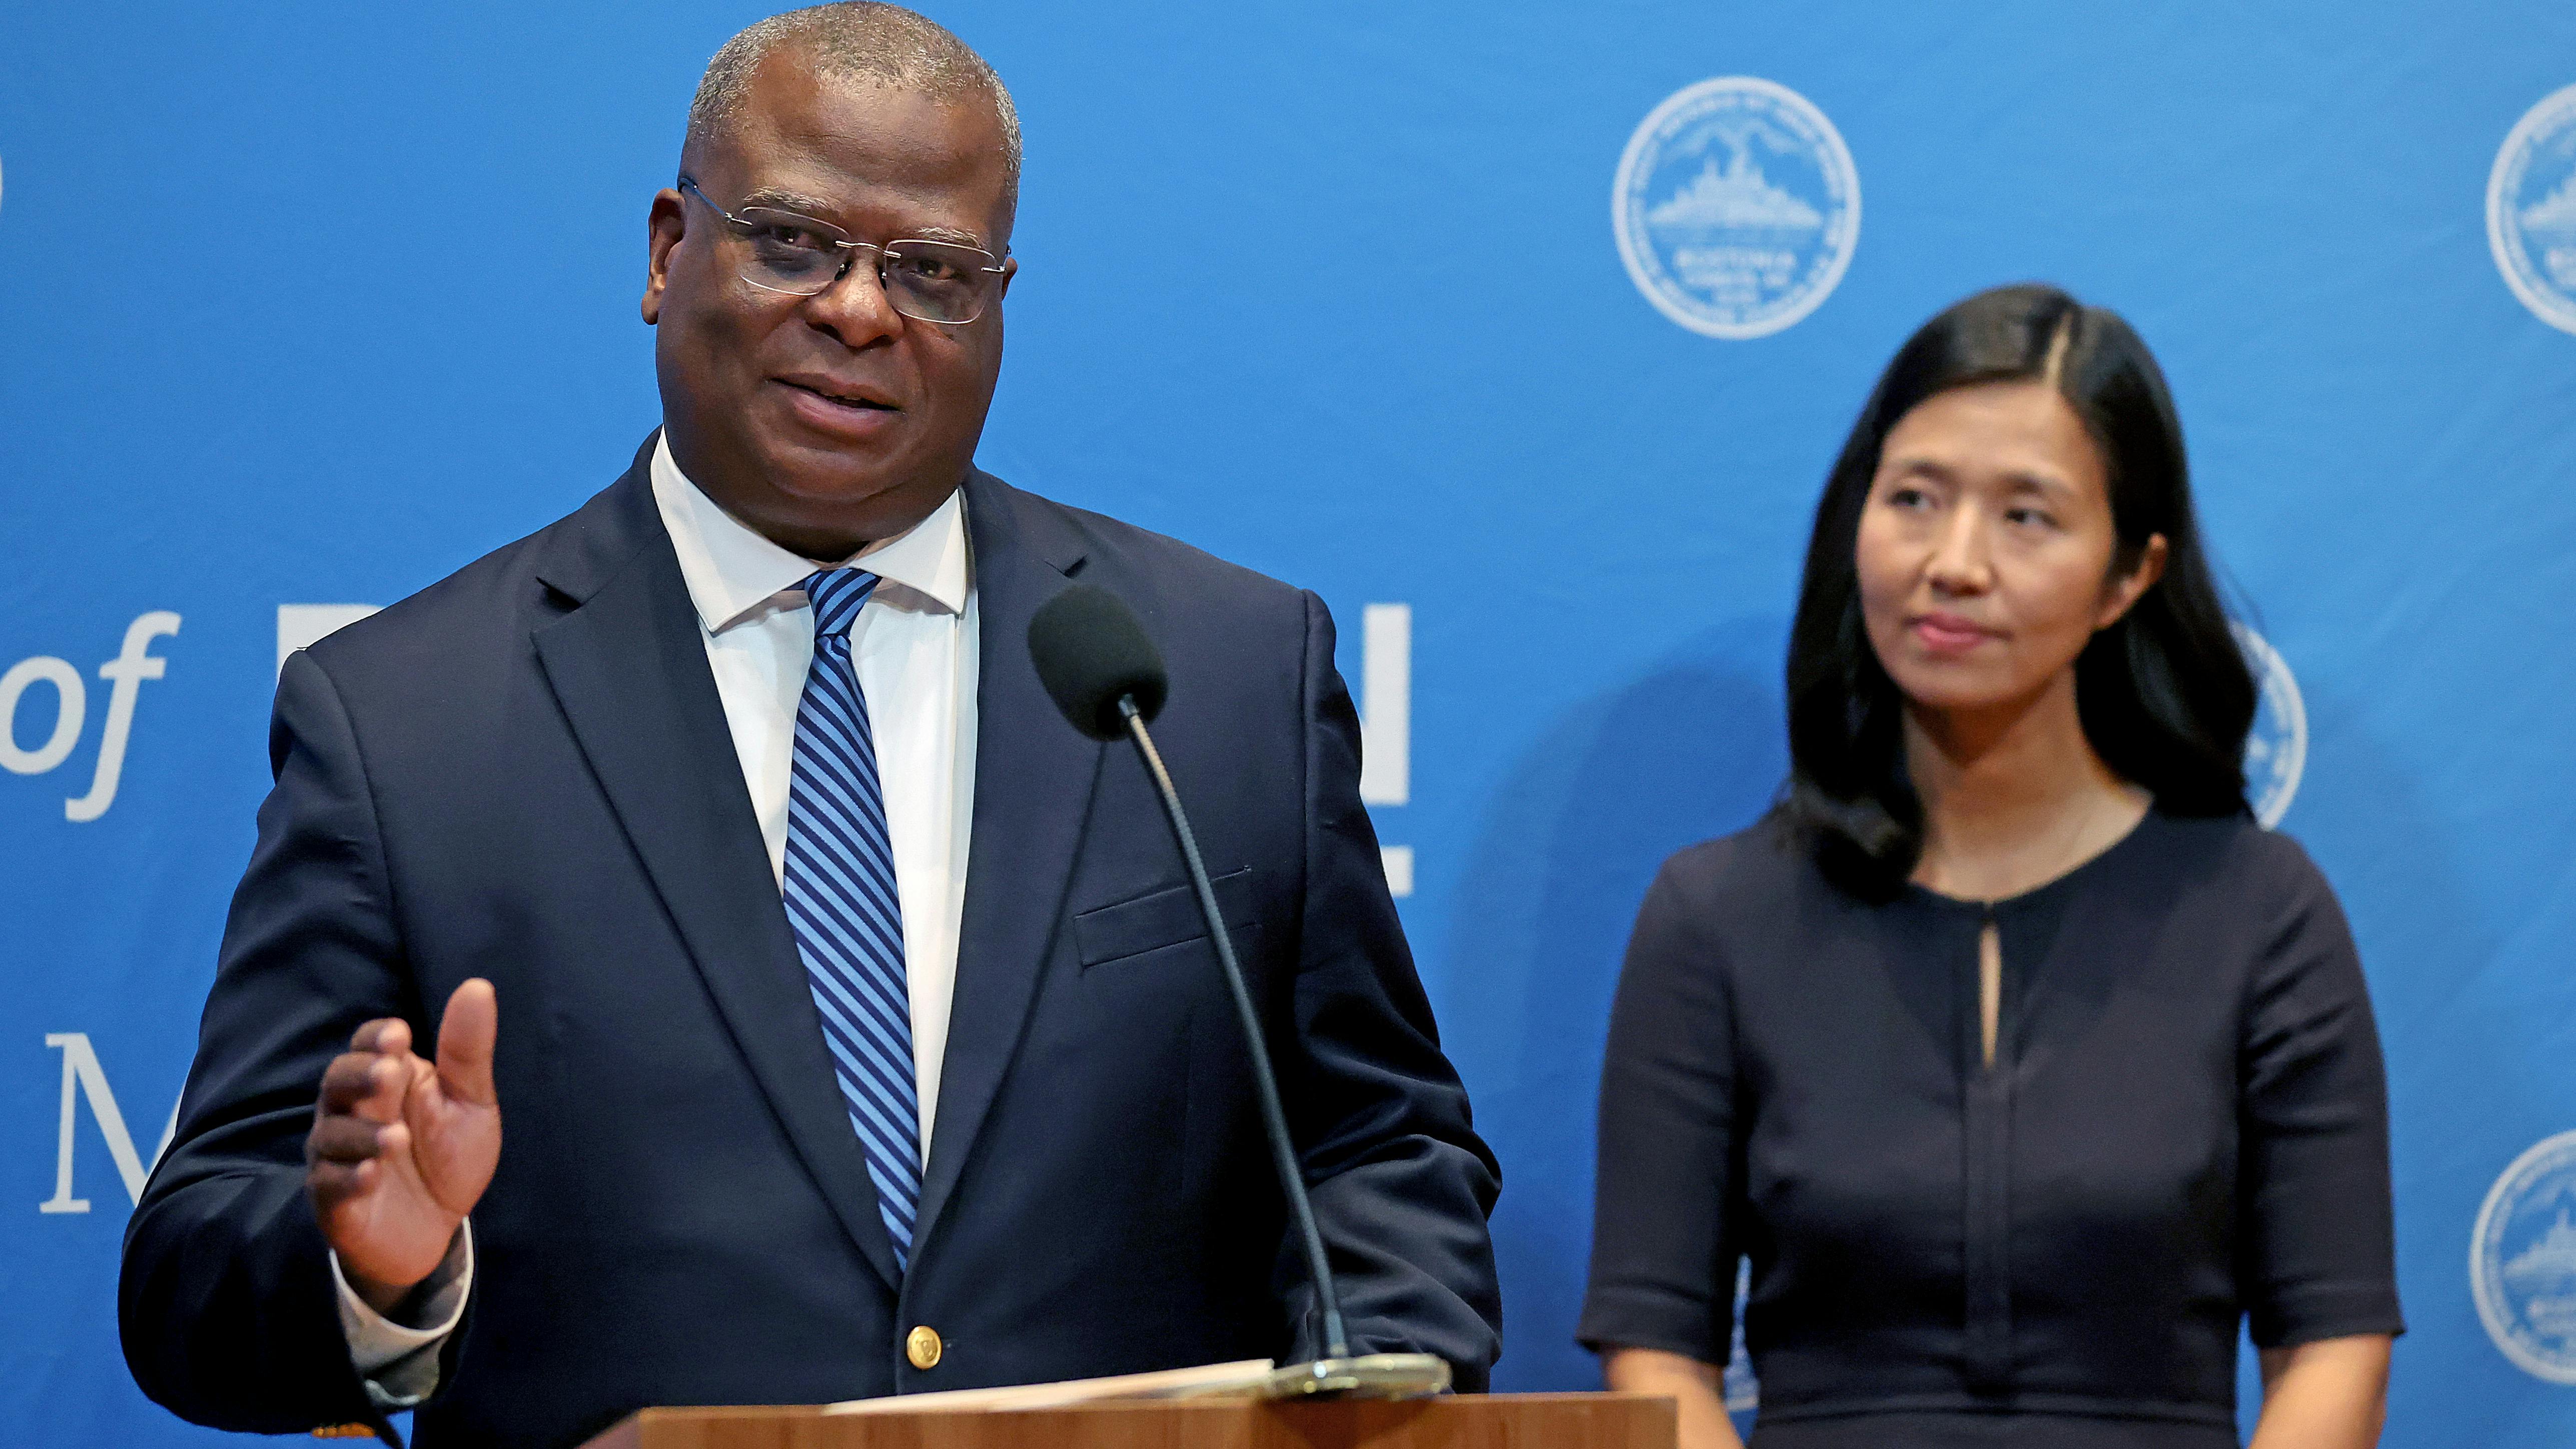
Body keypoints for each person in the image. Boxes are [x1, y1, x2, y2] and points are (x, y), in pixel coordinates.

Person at [118, 9, 1500, 1447]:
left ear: (999, 304)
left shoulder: (1212, 674)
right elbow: (190, 1272)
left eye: (935, 271)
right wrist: (378, 1270)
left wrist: (1382, 1374)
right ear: (666, 252)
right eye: (790, 241)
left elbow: (1377, 1143)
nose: (857, 309)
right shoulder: (404, 724)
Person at [1578, 284, 2401, 1448]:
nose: (1953, 562)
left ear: (2130, 573)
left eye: (2027, 517)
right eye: (1913, 498)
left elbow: (2334, 1349)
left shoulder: (2261, 913)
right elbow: (1656, 1360)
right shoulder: (1714, 916)